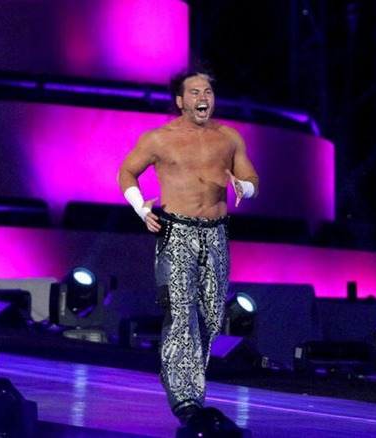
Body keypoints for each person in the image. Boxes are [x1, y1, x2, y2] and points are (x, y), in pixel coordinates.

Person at [117, 68, 259, 424]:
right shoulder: (158, 138)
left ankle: (186, 383)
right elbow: (126, 172)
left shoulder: (229, 138)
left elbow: (250, 175)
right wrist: (140, 208)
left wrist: (246, 188)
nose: (203, 98)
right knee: (181, 314)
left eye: (208, 91)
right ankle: (185, 398)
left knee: (210, 317)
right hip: (176, 232)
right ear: (181, 101)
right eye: (195, 92)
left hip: (216, 234)